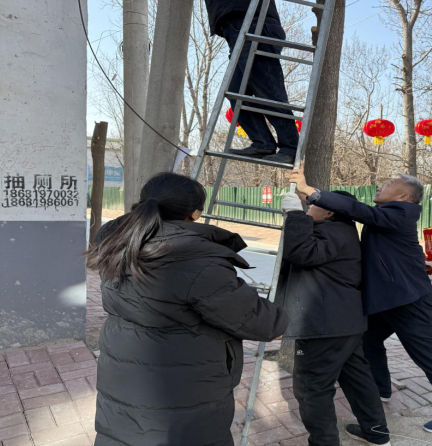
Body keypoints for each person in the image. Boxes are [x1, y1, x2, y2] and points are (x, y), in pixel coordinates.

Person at [87, 173, 288, 446]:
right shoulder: (197, 261)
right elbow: (261, 322)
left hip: (122, 371)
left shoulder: (117, 243)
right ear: (195, 213)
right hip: (185, 388)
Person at [287, 168, 432, 434]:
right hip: (385, 302)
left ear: (404, 196)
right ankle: (381, 389)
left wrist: (311, 192)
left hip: (409, 303)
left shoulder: (402, 214)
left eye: (390, 183)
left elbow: (358, 210)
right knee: (367, 343)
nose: (381, 185)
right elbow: (357, 212)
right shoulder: (386, 215)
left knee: (430, 359)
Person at [278, 191, 390, 446]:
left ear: (329, 211)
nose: (308, 207)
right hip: (343, 323)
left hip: (324, 326)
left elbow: (301, 253)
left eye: (312, 205)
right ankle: (376, 433)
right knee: (357, 379)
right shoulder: (340, 230)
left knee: (312, 387)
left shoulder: (333, 231)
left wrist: (295, 216)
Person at [205, 0, 300, 164]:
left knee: (268, 91)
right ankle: (263, 142)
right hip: (237, 25)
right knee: (235, 92)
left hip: (252, 21)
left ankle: (291, 147)